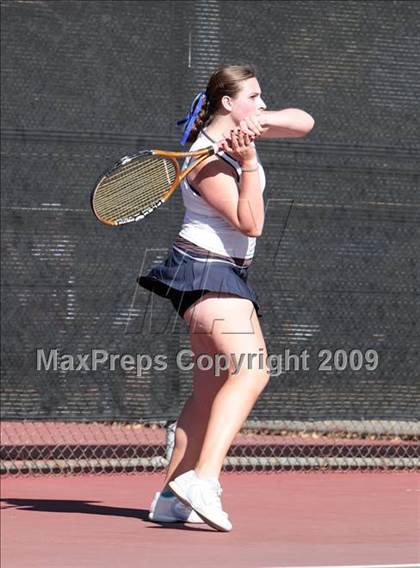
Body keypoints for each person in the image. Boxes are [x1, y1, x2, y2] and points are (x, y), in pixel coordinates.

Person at [138, 64, 315, 532]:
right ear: (227, 103)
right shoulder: (207, 160)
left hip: (219, 274)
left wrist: (263, 121)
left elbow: (305, 122)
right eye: (253, 97)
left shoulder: (241, 131)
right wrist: (251, 164)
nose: (261, 102)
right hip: (207, 271)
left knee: (209, 390)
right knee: (252, 370)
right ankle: (204, 481)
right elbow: (250, 222)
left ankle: (169, 496)